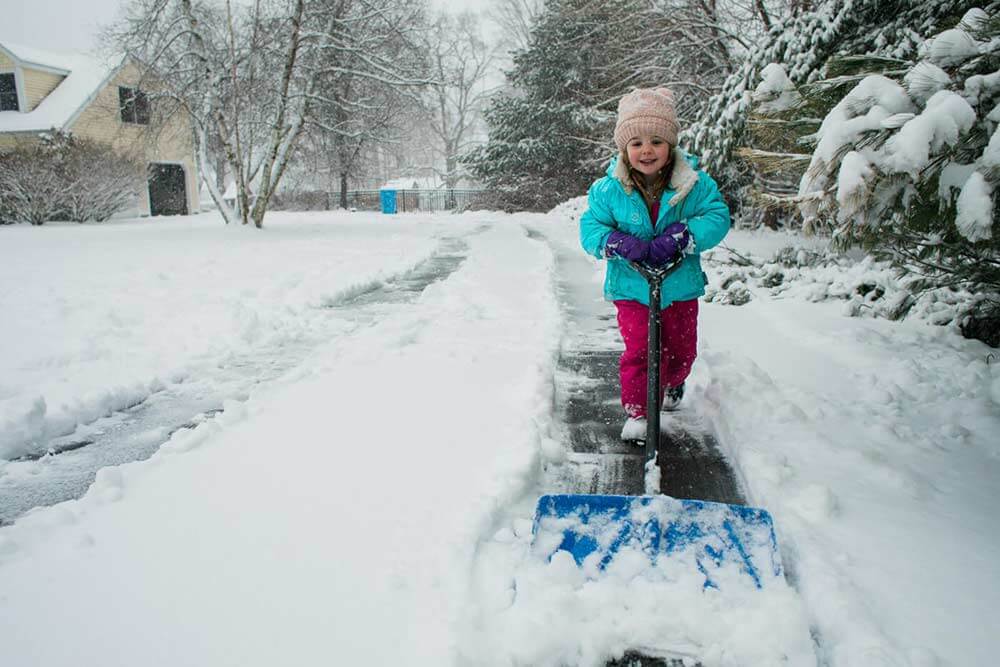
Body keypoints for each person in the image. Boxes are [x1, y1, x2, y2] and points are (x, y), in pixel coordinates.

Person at [579, 87, 730, 441]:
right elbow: (591, 226)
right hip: (632, 287)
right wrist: (611, 241)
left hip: (678, 286)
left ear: (671, 146)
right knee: (641, 352)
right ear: (624, 149)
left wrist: (684, 235)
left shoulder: (693, 185)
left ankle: (674, 382)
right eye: (636, 143)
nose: (646, 150)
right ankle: (640, 413)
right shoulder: (608, 189)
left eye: (657, 141)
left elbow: (718, 216)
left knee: (680, 352)